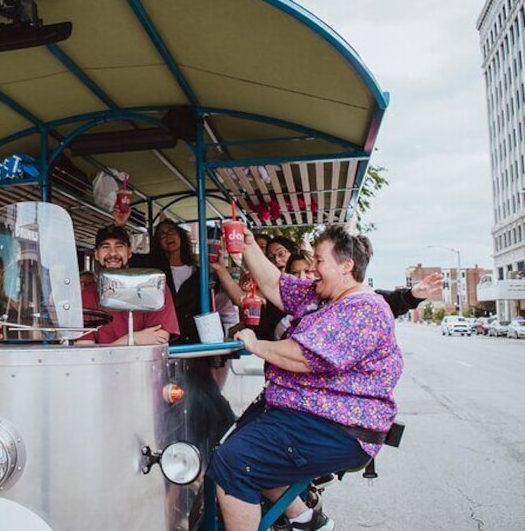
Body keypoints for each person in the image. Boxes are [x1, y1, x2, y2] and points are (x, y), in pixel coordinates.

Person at [207, 224, 402, 531]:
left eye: (320, 261)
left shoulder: (363, 308)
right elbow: (275, 284)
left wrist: (256, 344)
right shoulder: (323, 297)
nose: (312, 268)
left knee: (234, 462)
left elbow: (303, 356)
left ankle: (303, 520)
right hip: (302, 412)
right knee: (231, 448)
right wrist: (247, 246)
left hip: (338, 426)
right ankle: (307, 520)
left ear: (346, 266)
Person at [78, 225, 178, 345]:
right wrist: (134, 339)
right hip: (101, 364)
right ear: (97, 254)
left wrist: (111, 347)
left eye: (119, 246)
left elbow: (160, 338)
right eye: (105, 247)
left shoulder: (155, 287)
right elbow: (84, 348)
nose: (113, 253)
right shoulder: (87, 295)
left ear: (129, 252)